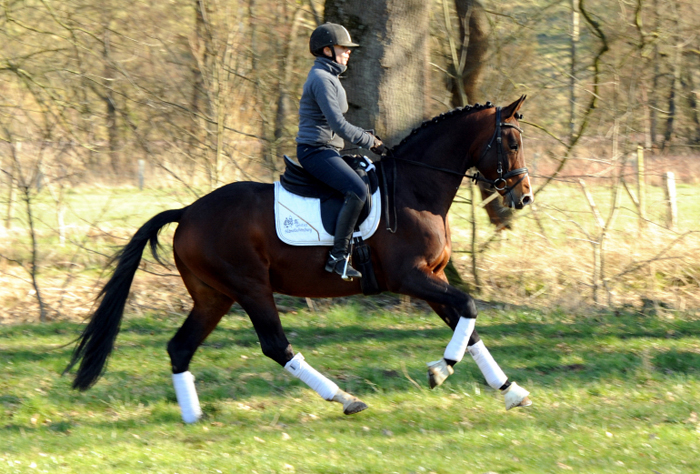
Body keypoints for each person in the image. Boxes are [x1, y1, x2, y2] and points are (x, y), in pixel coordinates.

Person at [296, 23, 387, 280]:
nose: (348, 52)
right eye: (343, 48)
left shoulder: (330, 77)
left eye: (348, 49)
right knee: (357, 190)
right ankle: (338, 257)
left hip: (328, 149)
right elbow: (337, 124)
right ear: (327, 50)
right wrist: (368, 142)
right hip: (315, 152)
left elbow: (337, 126)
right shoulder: (321, 79)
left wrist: (366, 135)